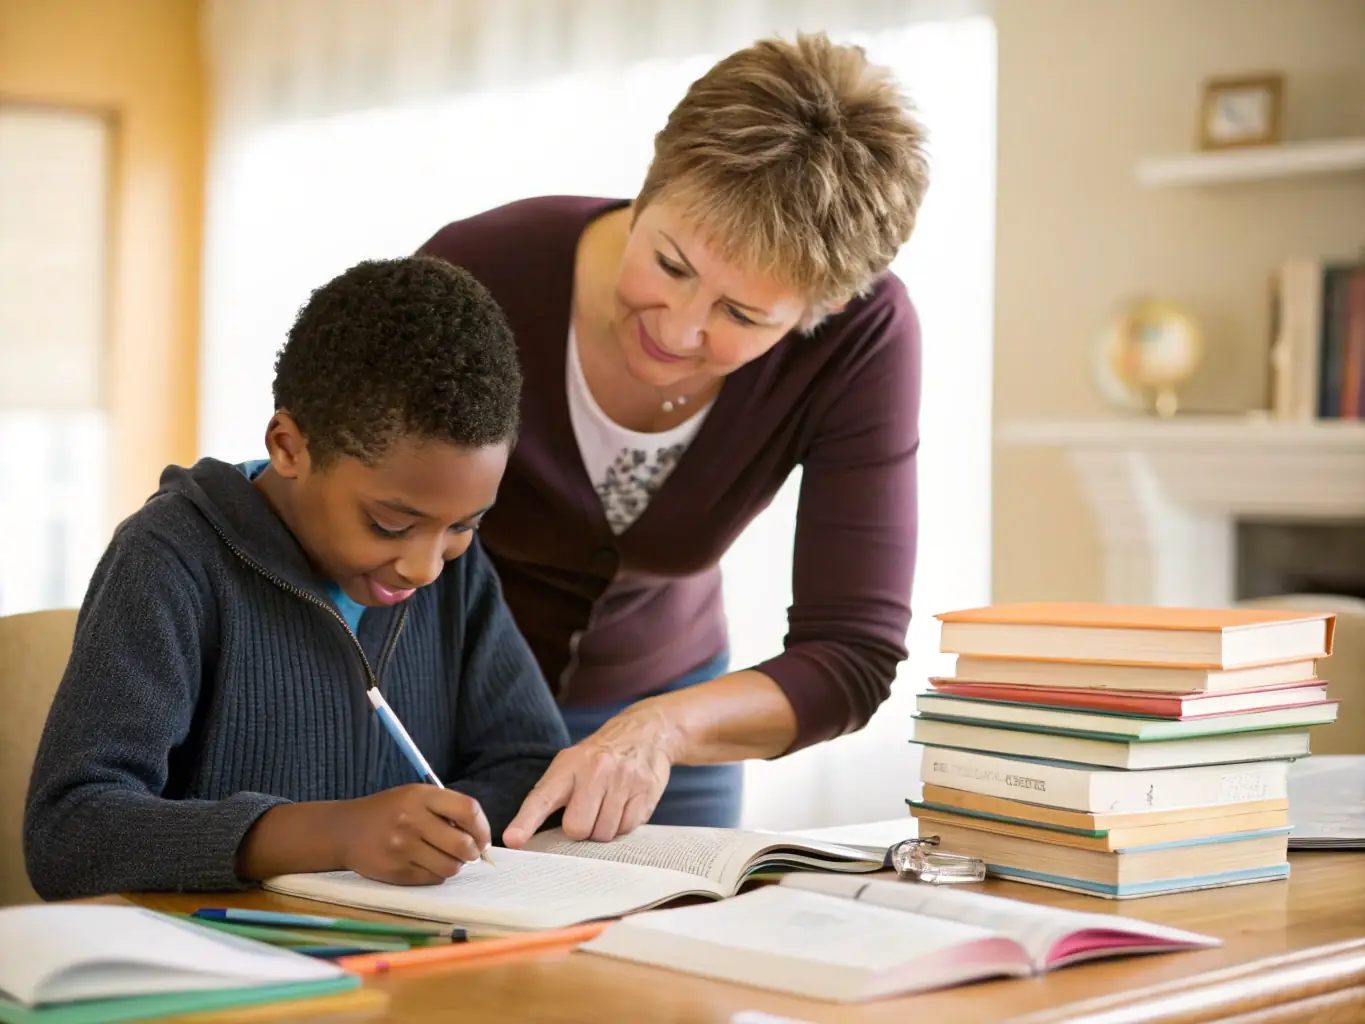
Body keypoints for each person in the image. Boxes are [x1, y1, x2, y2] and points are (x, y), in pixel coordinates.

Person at [418, 32, 928, 845]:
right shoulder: (478, 272)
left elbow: (851, 654)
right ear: (648, 188)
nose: (679, 328)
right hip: (439, 714)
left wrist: (657, 731)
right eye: (669, 262)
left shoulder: (861, 339)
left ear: (813, 314)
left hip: (668, 733)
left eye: (742, 315)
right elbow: (350, 517)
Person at [24, 256, 569, 901]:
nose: (425, 566)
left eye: (463, 525)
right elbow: (70, 833)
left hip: (403, 965)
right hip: (222, 977)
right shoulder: (170, 559)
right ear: (288, 445)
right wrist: (335, 833)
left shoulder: (454, 572)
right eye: (391, 524)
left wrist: (442, 835)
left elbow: (529, 762)